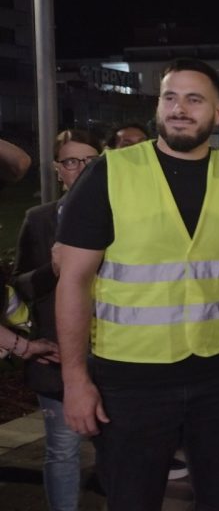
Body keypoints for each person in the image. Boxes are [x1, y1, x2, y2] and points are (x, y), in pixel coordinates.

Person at [54, 58, 219, 511]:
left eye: (194, 99)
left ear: (218, 111)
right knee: (132, 500)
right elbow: (72, 282)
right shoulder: (109, 173)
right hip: (132, 381)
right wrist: (75, 380)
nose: (179, 108)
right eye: (170, 98)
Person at [13, 129, 101, 511]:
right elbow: (21, 287)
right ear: (58, 169)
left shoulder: (126, 218)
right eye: (71, 161)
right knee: (63, 451)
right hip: (58, 356)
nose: (81, 169)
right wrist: (54, 269)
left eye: (90, 161)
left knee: (122, 453)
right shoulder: (39, 219)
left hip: (118, 356)